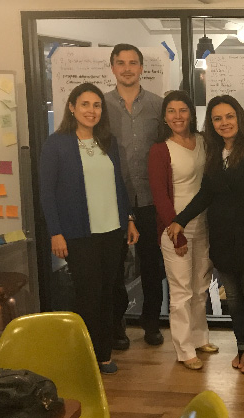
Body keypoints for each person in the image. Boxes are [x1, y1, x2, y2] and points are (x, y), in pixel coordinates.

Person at [170, 95, 244, 374]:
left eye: (229, 116)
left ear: (239, 117)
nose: (224, 123)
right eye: (217, 118)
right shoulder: (213, 151)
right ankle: (242, 345)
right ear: (211, 123)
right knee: (233, 298)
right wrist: (180, 220)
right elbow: (206, 193)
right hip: (222, 236)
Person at [40, 82, 140, 374]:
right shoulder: (57, 144)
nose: (91, 111)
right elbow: (46, 192)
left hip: (112, 231)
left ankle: (103, 354)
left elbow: (118, 185)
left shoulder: (107, 142)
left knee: (108, 294)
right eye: (85, 104)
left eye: (97, 105)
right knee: (88, 296)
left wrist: (129, 219)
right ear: (72, 107)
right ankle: (83, 356)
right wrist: (55, 232)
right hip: (78, 234)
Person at [147, 91, 217, 371]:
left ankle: (200, 338)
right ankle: (184, 348)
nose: (178, 116)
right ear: (164, 117)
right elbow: (160, 196)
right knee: (181, 291)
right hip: (175, 228)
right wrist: (176, 233)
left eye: (183, 110)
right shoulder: (160, 150)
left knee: (200, 286)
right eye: (171, 111)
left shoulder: (203, 142)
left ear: (191, 113)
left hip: (204, 224)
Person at [105, 44, 166, 348]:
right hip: (113, 200)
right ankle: (117, 327)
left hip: (151, 199)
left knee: (152, 266)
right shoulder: (101, 106)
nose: (127, 68)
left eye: (133, 63)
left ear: (142, 68)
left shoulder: (158, 106)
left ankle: (151, 324)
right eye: (121, 63)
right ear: (113, 68)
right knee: (114, 268)